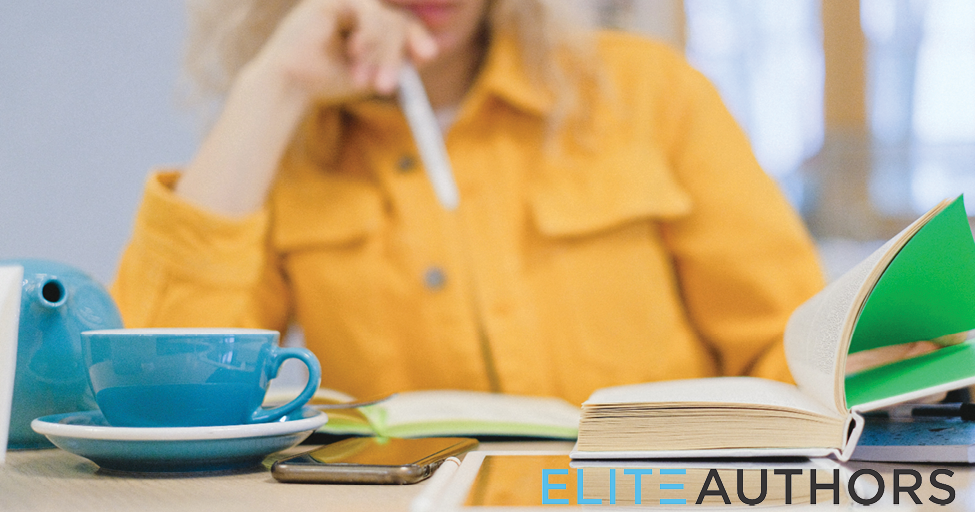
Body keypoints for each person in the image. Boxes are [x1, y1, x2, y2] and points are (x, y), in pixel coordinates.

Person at [111, 0, 826, 405]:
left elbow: (793, 347)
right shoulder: (277, 147)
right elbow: (158, 395)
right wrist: (275, 87)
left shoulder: (649, 94)